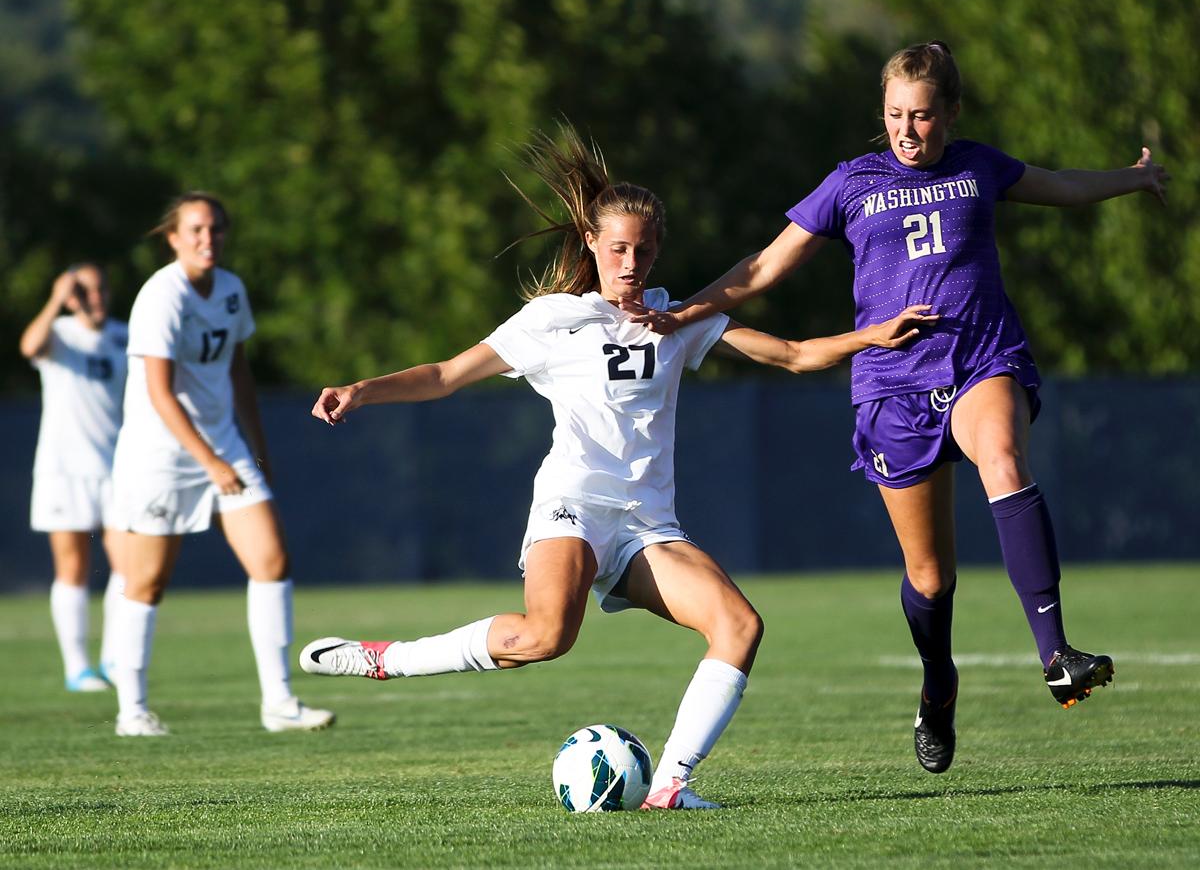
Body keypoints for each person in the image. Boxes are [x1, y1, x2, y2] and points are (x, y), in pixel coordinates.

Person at [299, 125, 934, 808]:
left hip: (646, 527)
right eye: (620, 247)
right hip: (573, 505)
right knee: (545, 637)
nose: (632, 262)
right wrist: (361, 389)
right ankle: (387, 660)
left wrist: (867, 336)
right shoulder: (554, 320)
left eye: (646, 248)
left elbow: (793, 354)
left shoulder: (678, 318)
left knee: (740, 626)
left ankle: (670, 787)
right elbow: (447, 374)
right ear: (594, 246)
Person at [623, 41, 1170, 774]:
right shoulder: (852, 182)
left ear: (951, 113)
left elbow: (1063, 186)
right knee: (931, 579)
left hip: (982, 361)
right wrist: (687, 310)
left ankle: (1056, 653)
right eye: (894, 116)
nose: (907, 130)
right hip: (891, 390)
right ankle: (938, 685)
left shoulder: (979, 165)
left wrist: (1132, 179)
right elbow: (762, 268)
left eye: (921, 115)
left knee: (1004, 460)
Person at [107, 191, 334, 737]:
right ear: (173, 237)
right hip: (159, 455)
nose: (207, 239)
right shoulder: (160, 296)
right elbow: (159, 394)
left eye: (215, 230)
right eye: (195, 230)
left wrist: (254, 446)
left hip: (223, 446)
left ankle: (278, 702)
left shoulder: (231, 290)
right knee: (146, 583)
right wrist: (210, 463)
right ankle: (131, 711)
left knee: (271, 561)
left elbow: (238, 375)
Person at [20, 263, 128, 693]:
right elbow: (29, 346)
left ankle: (116, 656)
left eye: (100, 288)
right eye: (84, 292)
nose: (95, 298)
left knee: (130, 564)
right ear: (68, 296)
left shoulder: (125, 334)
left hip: (118, 467)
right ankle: (78, 667)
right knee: (73, 567)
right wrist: (55, 298)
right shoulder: (59, 333)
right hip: (64, 469)